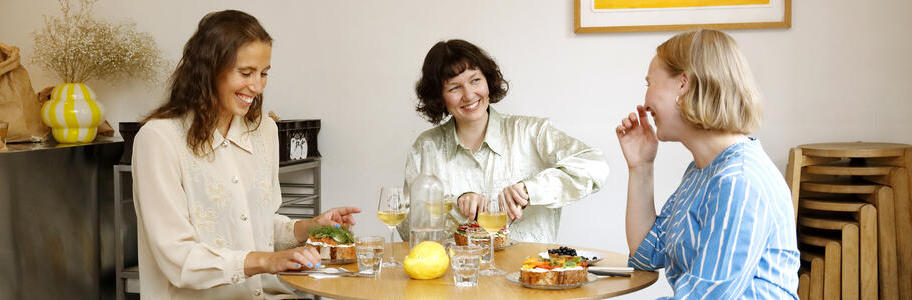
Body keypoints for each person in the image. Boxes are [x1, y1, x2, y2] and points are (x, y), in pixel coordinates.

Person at [132, 10, 359, 299]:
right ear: (209, 69)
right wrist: (265, 261)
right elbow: (178, 258)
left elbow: (259, 225)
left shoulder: (263, 130)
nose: (257, 86)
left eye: (264, 73)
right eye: (246, 72)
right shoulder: (159, 140)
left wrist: (309, 228)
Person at [616, 29, 799, 299]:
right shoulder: (702, 171)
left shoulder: (739, 180)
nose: (645, 101)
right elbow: (646, 253)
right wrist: (640, 167)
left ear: (683, 84)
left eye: (650, 84)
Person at [399, 39, 609, 243]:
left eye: (475, 80)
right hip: (456, 275)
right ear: (439, 97)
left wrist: (531, 190)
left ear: (488, 80)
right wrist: (455, 203)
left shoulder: (532, 132)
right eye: (454, 88)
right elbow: (407, 229)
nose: (469, 95)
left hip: (531, 273)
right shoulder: (426, 147)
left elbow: (595, 165)